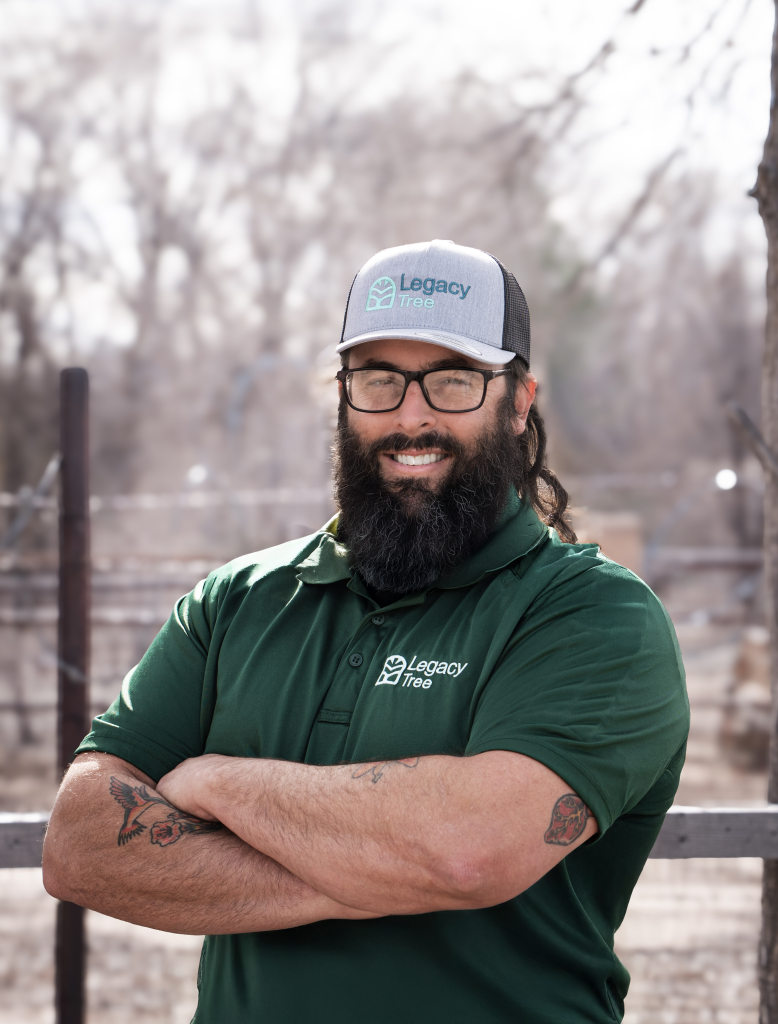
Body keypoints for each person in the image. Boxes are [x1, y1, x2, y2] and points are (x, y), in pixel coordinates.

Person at [44, 239, 689, 1024]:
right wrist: (383, 867)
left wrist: (219, 781)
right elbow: (79, 845)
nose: (410, 416)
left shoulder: (592, 615)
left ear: (519, 400)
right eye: (378, 380)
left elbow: (467, 850)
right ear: (344, 396)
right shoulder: (238, 601)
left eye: (452, 380)